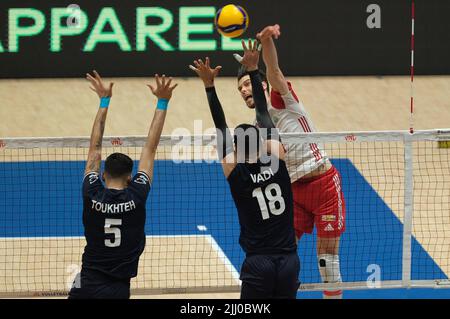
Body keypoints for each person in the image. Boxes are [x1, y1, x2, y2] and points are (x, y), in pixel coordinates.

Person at [234, 25, 346, 299]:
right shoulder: (256, 126)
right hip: (292, 193)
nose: (244, 90)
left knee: (327, 261)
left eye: (247, 84)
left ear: (261, 84)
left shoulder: (279, 99)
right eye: (240, 89)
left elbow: (274, 70)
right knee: (283, 254)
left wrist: (266, 41)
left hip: (323, 184)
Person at [189, 40, 300, 299]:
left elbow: (220, 128)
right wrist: (253, 69)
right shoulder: (278, 162)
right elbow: (263, 112)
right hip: (288, 262)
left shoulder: (237, 175)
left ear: (237, 150)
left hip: (258, 264)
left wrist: (209, 86)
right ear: (263, 144)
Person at [68, 71, 177, 299]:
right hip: (118, 288)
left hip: (86, 281)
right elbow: (150, 148)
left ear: (103, 175)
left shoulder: (91, 191)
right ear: (130, 178)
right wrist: (162, 101)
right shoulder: (136, 195)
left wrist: (104, 101)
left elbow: (95, 149)